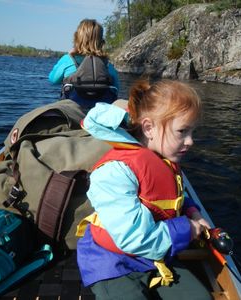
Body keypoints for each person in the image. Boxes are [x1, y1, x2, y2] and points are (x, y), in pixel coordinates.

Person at [76, 79, 213, 300]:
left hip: (153, 255)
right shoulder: (115, 172)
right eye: (182, 131)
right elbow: (132, 237)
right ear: (149, 128)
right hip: (113, 263)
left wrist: (193, 212)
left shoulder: (164, 161)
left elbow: (174, 195)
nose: (191, 141)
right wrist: (187, 227)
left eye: (192, 132)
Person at [48, 19, 120, 110]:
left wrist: (67, 56)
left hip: (73, 112)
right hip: (100, 115)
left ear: (77, 38)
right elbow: (116, 89)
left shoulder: (68, 59)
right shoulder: (107, 65)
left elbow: (53, 79)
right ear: (101, 41)